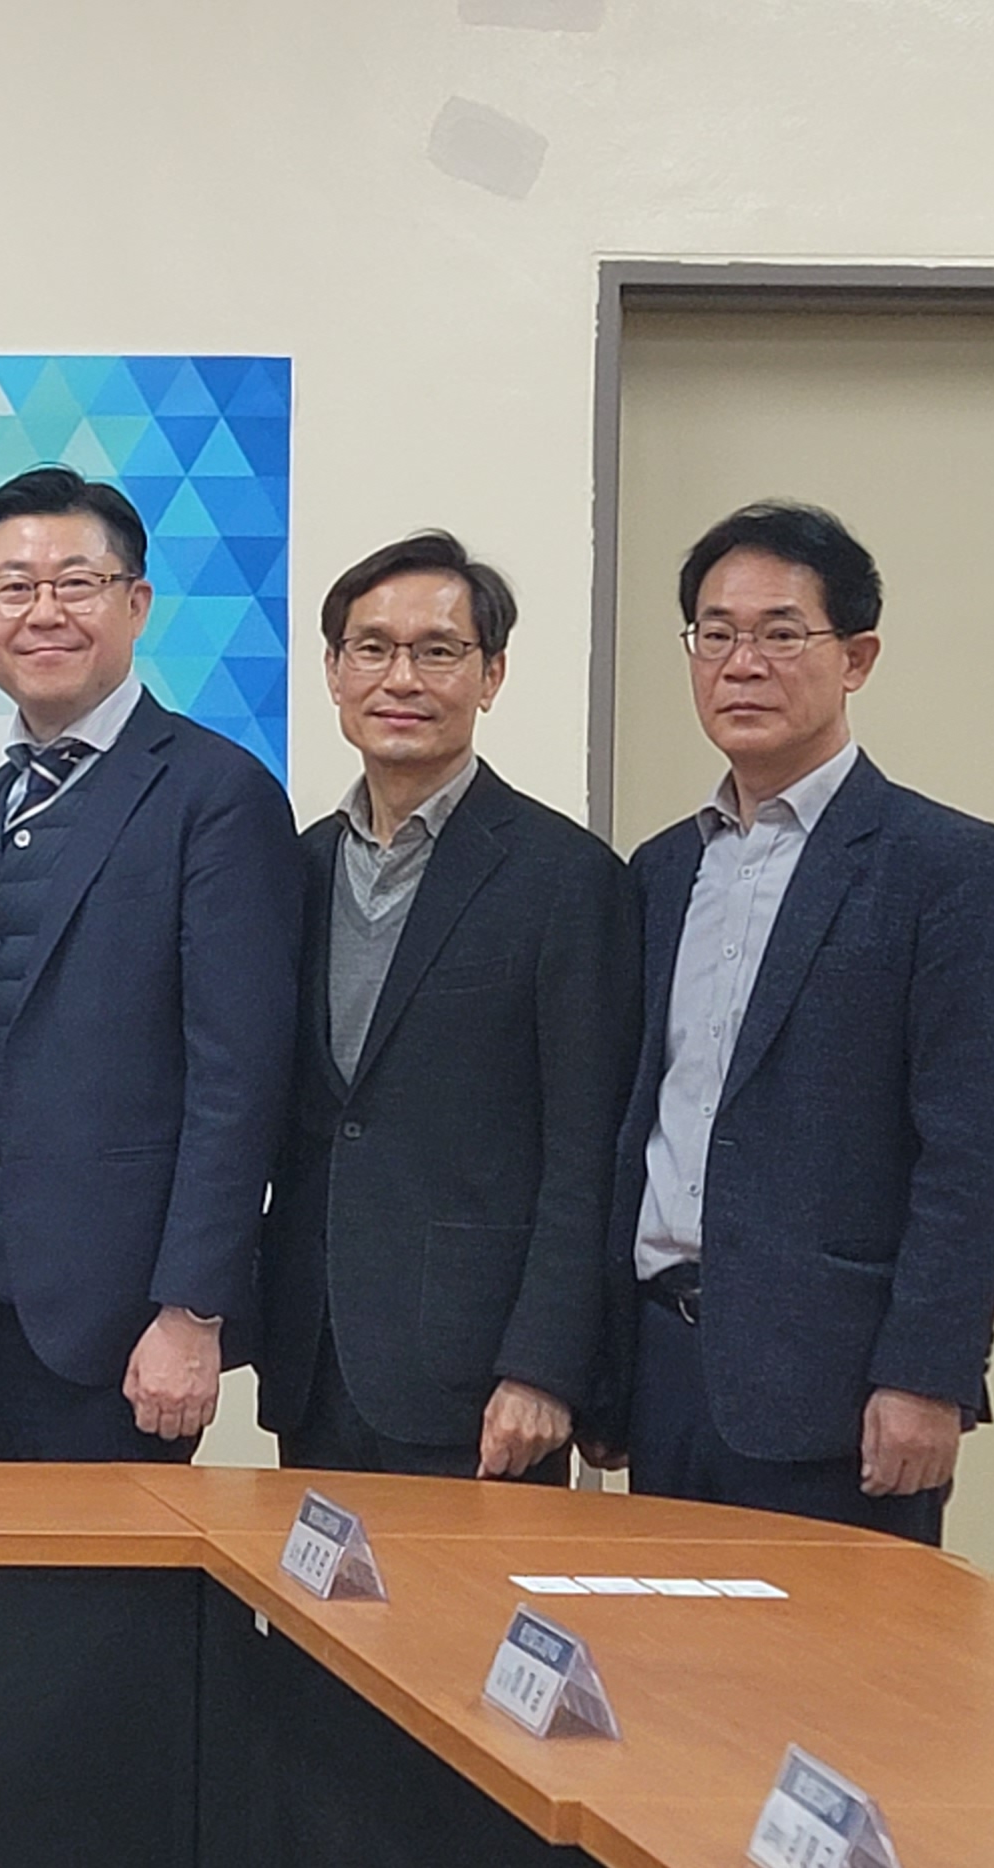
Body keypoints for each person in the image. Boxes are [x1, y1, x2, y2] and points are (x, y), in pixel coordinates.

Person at [588, 501, 994, 1544]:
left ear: (856, 657)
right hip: (665, 1367)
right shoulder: (661, 870)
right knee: (661, 1646)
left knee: (829, 1655)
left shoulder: (942, 866)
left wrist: (927, 1374)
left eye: (781, 632)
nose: (742, 663)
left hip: (841, 1387)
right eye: (715, 632)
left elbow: (972, 1152)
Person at [0, 466, 301, 1462]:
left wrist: (194, 1307)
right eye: (13, 587)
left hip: (126, 1316)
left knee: (111, 1568)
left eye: (77, 583)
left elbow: (240, 1075)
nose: (44, 612)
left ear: (135, 603)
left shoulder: (216, 793)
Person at [255, 531, 636, 1483]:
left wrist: (545, 1367)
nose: (402, 678)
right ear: (334, 672)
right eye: (372, 648)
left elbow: (587, 1149)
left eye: (437, 651)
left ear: (491, 675)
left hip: (482, 1375)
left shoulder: (566, 879)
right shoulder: (292, 869)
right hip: (317, 1356)